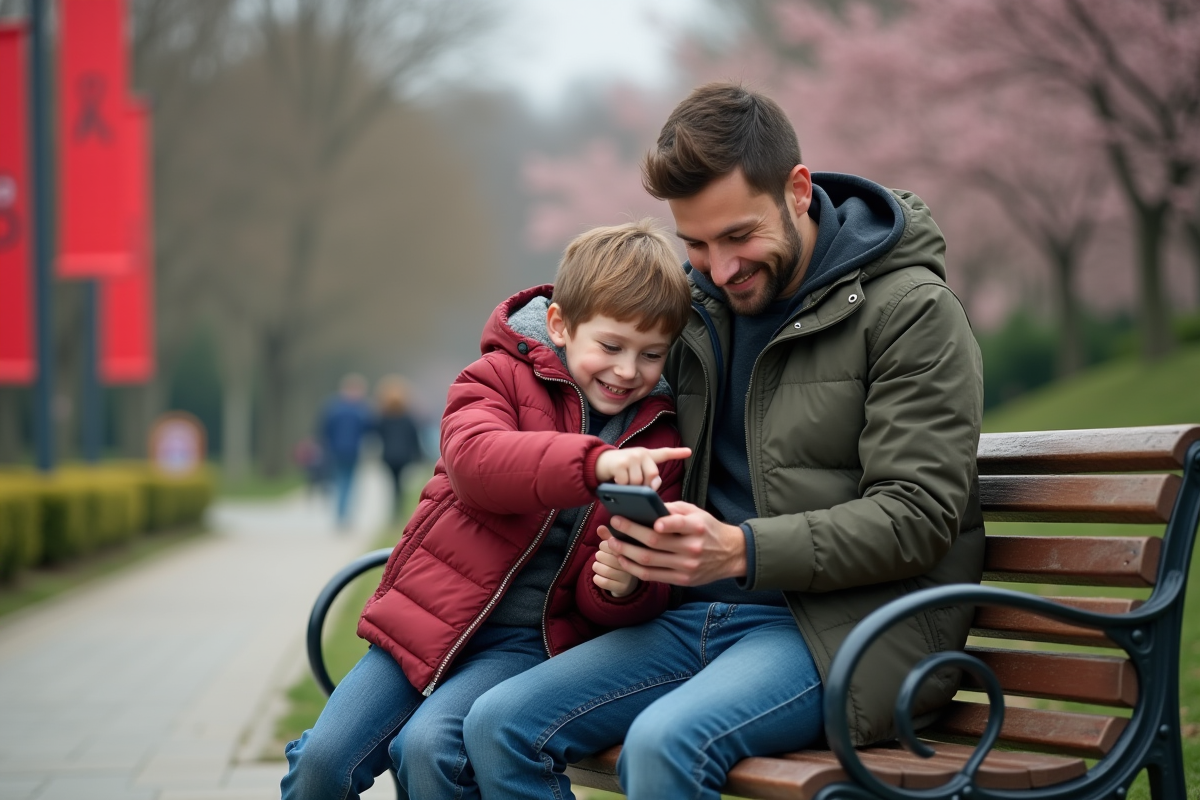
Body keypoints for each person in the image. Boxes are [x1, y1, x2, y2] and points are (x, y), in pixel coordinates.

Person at [463, 83, 986, 799]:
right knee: (497, 724)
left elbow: (916, 516)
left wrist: (743, 549)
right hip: (690, 617)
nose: (720, 266)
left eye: (739, 236)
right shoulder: (698, 307)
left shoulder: (912, 314)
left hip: (838, 630)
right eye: (697, 244)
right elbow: (593, 366)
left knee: (665, 744)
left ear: (797, 190)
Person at [281, 220, 695, 800]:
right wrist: (592, 463)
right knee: (322, 764)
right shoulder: (497, 377)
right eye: (611, 346)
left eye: (651, 355)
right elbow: (479, 465)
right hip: (425, 621)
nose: (628, 370)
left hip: (526, 644)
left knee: (428, 749)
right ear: (560, 325)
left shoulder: (658, 438)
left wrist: (623, 586)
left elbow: (631, 600)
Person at [319, 373, 375, 528]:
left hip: (337, 450)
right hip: (350, 451)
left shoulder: (332, 407)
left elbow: (324, 429)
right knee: (348, 482)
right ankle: (344, 515)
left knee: (341, 481)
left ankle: (341, 514)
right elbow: (370, 429)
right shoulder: (361, 410)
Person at [373, 374, 424, 520]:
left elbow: (377, 435)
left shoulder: (383, 417)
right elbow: (414, 437)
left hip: (388, 456)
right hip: (404, 456)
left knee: (393, 484)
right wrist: (419, 455)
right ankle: (399, 510)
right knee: (401, 484)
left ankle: (394, 510)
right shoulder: (408, 417)